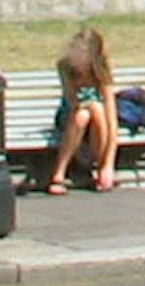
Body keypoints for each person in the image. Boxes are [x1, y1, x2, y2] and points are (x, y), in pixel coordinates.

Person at [44, 26, 120, 192]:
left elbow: (112, 122)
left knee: (97, 110)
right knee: (83, 114)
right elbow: (72, 101)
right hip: (70, 116)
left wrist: (109, 165)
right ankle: (59, 173)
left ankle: (101, 168)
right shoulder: (65, 67)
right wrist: (90, 105)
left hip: (97, 123)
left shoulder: (101, 73)